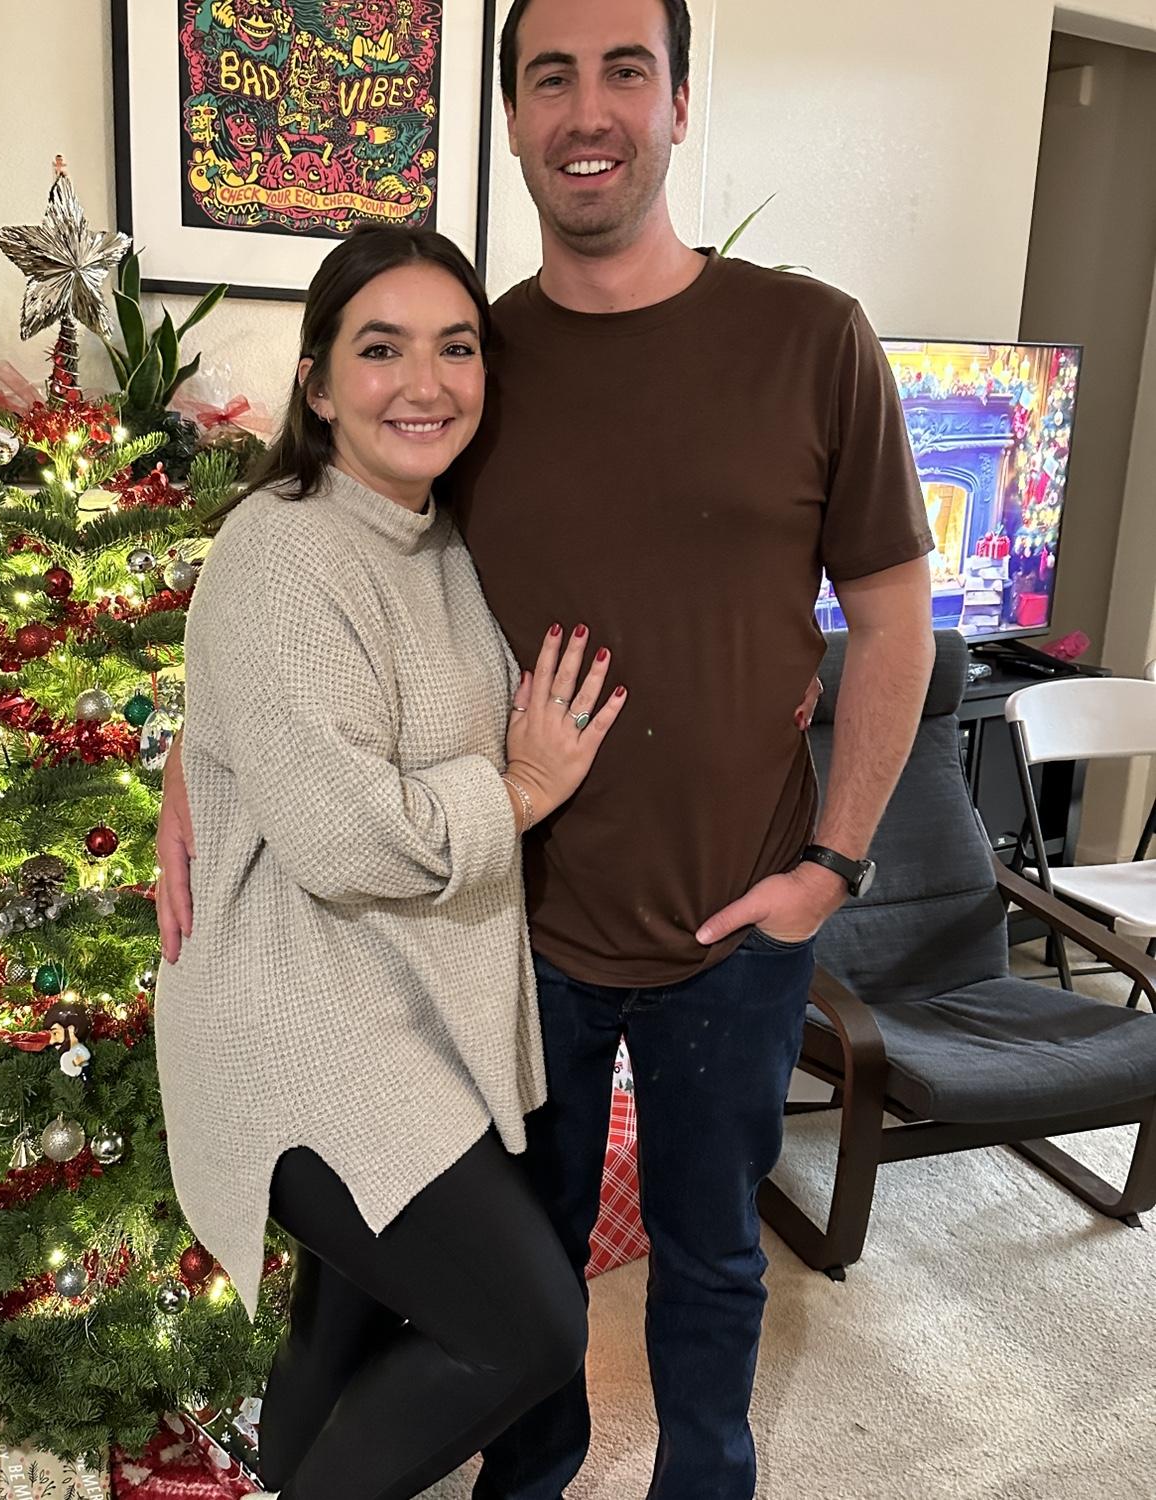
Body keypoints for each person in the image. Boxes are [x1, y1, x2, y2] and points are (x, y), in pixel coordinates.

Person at [161, 0, 936, 1495]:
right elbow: (322, 576)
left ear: (680, 101)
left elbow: (895, 617)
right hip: (507, 945)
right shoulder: (469, 365)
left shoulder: (810, 337)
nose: (589, 110)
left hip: (738, 926)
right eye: (552, 76)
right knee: (522, 1308)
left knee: (714, 1264)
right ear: (511, 116)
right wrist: (201, 763)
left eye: (625, 70)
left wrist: (834, 863)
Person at [154, 225, 633, 1500]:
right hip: (295, 1017)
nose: (425, 383)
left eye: (455, 348)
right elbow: (341, 835)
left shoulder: (439, 536)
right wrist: (523, 790)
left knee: (346, 1320)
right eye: (382, 349)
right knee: (528, 1330)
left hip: (397, 999)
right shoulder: (285, 548)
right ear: (317, 385)